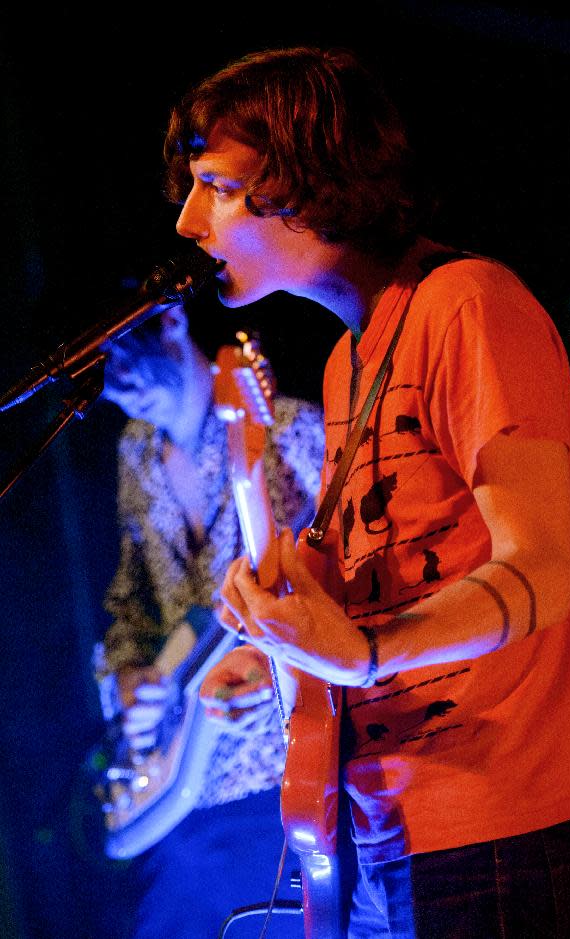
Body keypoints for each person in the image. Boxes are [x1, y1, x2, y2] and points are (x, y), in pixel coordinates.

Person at [162, 46, 570, 938]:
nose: (188, 221)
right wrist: (281, 647)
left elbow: (545, 569)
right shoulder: (349, 360)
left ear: (309, 177)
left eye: (216, 184)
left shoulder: (469, 305)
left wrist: (363, 653)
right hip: (383, 830)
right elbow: (392, 575)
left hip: (498, 822)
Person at [94, 301, 325, 939]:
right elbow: (130, 608)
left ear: (167, 321)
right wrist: (131, 680)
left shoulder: (291, 434)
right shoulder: (135, 455)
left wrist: (279, 667)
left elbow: (364, 587)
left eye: (115, 359)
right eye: (94, 375)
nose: (111, 386)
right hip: (185, 789)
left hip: (286, 774)